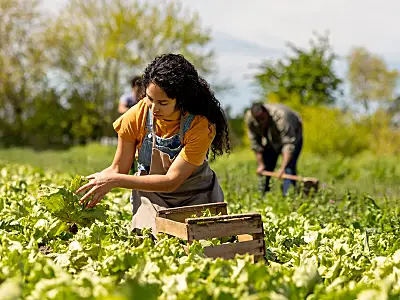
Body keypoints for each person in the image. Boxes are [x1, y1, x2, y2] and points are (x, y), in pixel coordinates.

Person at [75, 54, 230, 236]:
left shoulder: (200, 126)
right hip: (152, 196)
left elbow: (172, 181)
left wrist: (115, 181)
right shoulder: (135, 116)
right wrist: (92, 184)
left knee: (199, 242)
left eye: (163, 103)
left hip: (196, 196)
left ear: (181, 101)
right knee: (150, 239)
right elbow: (119, 168)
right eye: (149, 99)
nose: (153, 108)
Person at [245, 102, 303, 196]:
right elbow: (255, 143)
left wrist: (282, 168)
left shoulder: (282, 116)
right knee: (266, 167)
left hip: (293, 136)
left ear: (266, 113)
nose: (261, 122)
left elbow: (288, 144)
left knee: (288, 168)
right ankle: (262, 196)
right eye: (258, 120)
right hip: (271, 139)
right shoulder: (250, 118)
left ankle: (289, 196)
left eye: (262, 119)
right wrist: (260, 164)